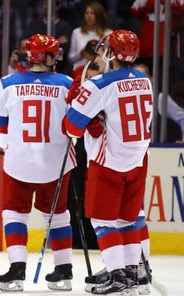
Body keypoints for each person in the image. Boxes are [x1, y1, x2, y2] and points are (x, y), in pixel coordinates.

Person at [64, 30, 152, 295]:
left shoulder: (98, 84)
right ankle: (133, 273)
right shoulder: (144, 79)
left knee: (103, 221)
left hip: (109, 161)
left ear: (110, 52)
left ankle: (117, 276)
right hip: (137, 160)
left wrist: (79, 103)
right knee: (130, 219)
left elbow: (71, 128)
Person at [0, 34, 76, 292]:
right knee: (58, 216)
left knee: (15, 213)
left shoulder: (8, 83)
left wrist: (3, 141)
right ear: (43, 57)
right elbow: (77, 121)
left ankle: (17, 268)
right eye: (52, 53)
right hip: (56, 163)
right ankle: (64, 270)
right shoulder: (67, 84)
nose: (56, 57)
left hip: (19, 161)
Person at [68, 2, 112, 69]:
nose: (89, 16)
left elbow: (110, 58)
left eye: (92, 13)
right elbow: (70, 59)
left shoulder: (108, 34)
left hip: (100, 70)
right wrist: (81, 53)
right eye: (87, 13)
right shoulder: (77, 32)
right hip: (80, 70)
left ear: (99, 15)